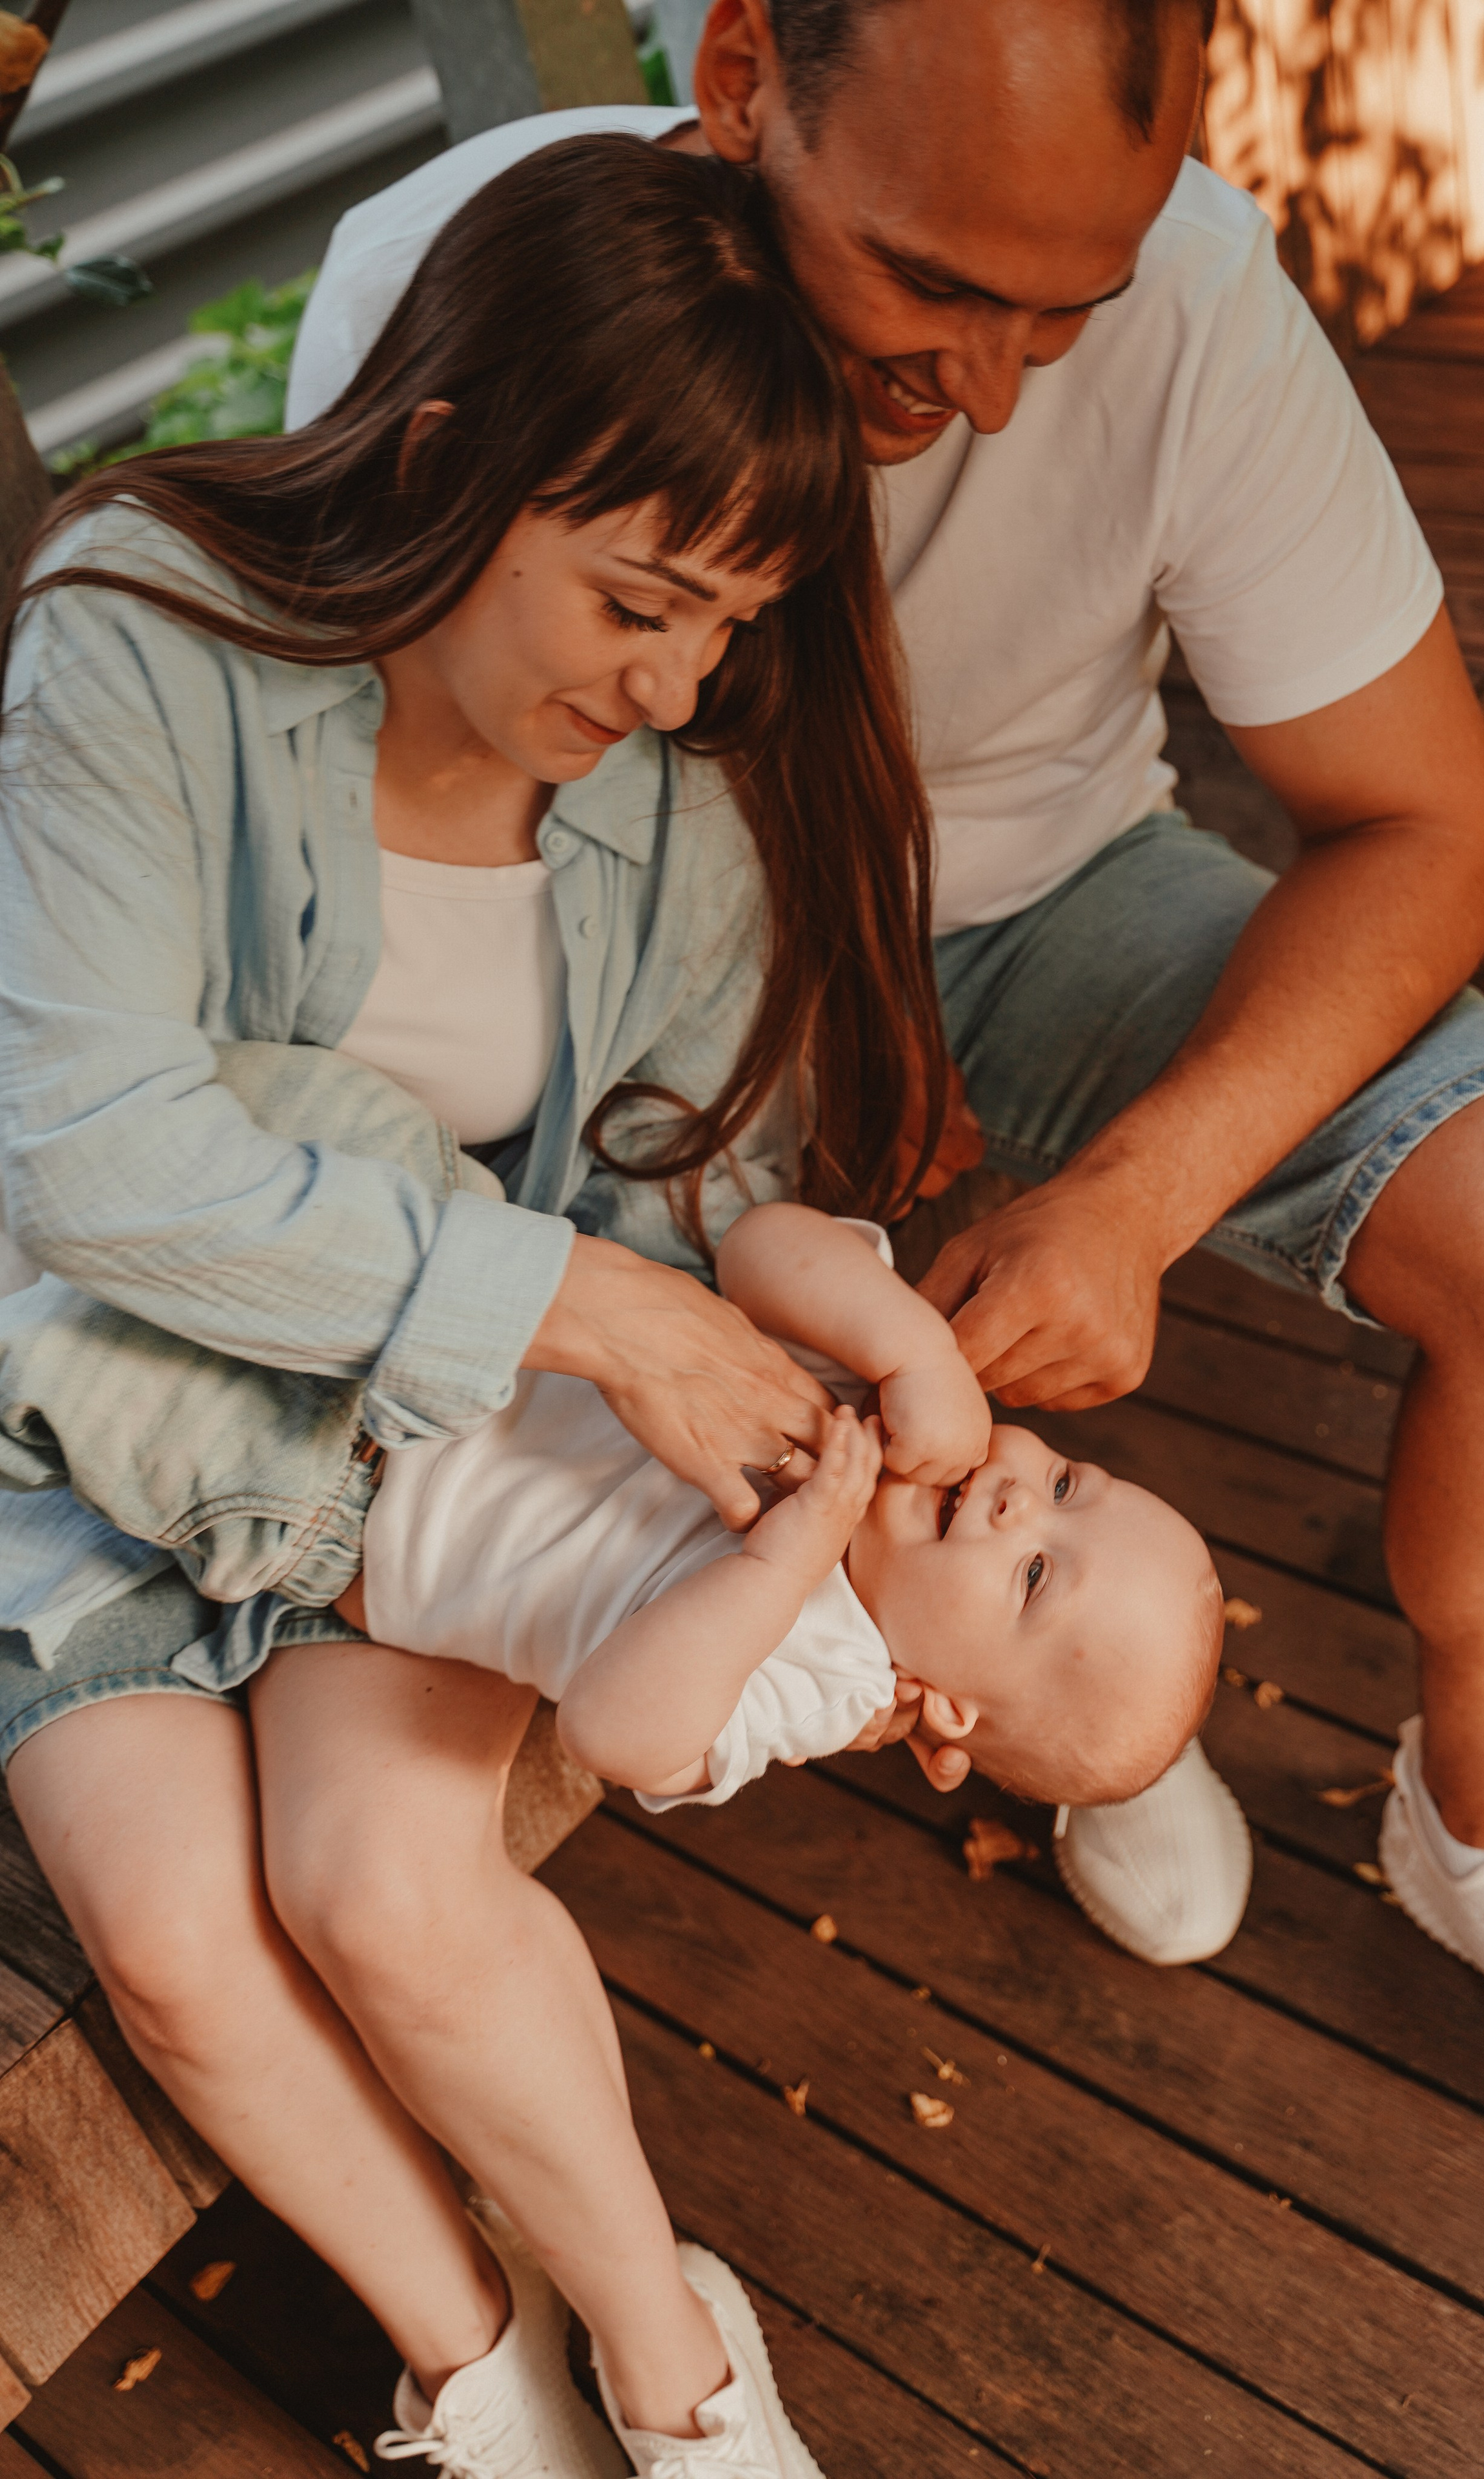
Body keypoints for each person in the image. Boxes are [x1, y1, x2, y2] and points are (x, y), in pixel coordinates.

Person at [283, 0, 1484, 2201]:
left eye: (1063, 311)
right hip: (628, 971)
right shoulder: (455, 269)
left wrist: (1144, 1187)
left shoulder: (1199, 297)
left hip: (1045, 902)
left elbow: (1427, 826)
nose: (994, 390)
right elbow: (391, 843)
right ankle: (1052, 1702)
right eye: (930, 284)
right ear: (740, 80)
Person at [0, 136, 957, 2478]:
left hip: (388, 1465)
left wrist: (852, 1349)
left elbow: (688, 1187)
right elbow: (85, 1150)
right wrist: (599, 1322)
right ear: (451, 460)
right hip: (65, 1425)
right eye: (638, 598)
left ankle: (667, 2351)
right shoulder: (141, 630)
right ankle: (483, 2370)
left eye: (728, 620)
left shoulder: (679, 812)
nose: (678, 679)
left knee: (377, 1879)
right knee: (170, 1938)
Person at [0, 1094, 1223, 1811]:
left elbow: (615, 1734)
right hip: (462, 1272)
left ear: (946, 1704)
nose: (1021, 1502)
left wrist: (775, 1566)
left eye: (1034, 1576)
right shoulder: (887, 1397)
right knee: (290, 1118)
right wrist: (913, 1350)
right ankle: (74, 1105)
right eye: (1068, 1481)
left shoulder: (829, 1674)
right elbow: (763, 1248)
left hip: (332, 1489)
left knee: (75, 1361)